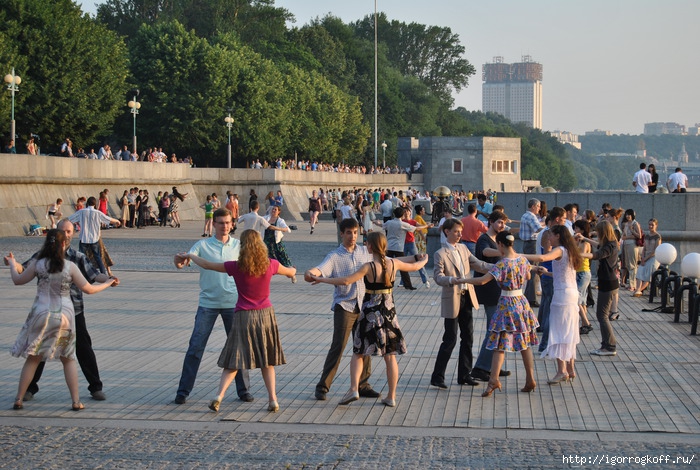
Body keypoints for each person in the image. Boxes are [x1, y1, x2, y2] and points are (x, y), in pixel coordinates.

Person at [308, 232, 428, 407]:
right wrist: (424, 260)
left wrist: (322, 279)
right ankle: (391, 396)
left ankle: (354, 389)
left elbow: (346, 280)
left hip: (369, 314)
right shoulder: (394, 263)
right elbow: (416, 266)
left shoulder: (368, 267)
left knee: (359, 352)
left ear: (370, 247)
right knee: (390, 356)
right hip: (389, 314)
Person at [183, 230, 296, 413]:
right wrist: (293, 274)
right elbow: (291, 271)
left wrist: (190, 255)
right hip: (265, 315)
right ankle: (273, 399)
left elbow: (207, 265)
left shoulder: (236, 266)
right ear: (261, 245)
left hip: (243, 315)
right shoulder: (271, 264)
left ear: (242, 247)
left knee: (235, 360)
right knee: (267, 362)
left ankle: (219, 396)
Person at [5, 229, 116, 410]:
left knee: (34, 358)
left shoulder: (38, 264)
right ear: (64, 244)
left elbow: (18, 279)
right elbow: (89, 288)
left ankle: (18, 398)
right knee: (68, 358)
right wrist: (108, 283)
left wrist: (11, 263)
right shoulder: (69, 266)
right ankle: (75, 401)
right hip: (64, 316)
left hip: (40, 313)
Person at [172, 208, 253, 405]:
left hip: (233, 303)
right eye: (220, 223)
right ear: (214, 224)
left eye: (227, 223)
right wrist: (179, 261)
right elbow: (184, 260)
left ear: (232, 224)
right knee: (195, 347)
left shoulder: (240, 246)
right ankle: (183, 391)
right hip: (207, 303)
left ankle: (243, 390)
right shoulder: (202, 245)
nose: (224, 226)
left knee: (238, 348)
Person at [304, 218, 386, 401]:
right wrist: (310, 274)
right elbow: (319, 269)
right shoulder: (335, 256)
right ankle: (323, 386)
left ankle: (363, 384)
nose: (352, 236)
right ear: (341, 234)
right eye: (348, 232)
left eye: (355, 232)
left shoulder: (366, 252)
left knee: (365, 346)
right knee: (338, 346)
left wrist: (415, 258)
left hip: (365, 305)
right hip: (345, 306)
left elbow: (385, 259)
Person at [460, 232, 539, 396]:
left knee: (499, 343)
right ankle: (530, 378)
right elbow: (529, 276)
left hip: (506, 304)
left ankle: (494, 380)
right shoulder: (522, 260)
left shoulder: (502, 264)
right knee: (524, 343)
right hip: (521, 303)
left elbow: (482, 281)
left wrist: (462, 280)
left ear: (501, 245)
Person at [430, 218, 492, 389]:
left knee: (468, 336)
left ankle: (465, 374)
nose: (459, 235)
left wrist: (496, 267)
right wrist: (451, 280)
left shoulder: (464, 249)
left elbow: (478, 265)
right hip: (452, 299)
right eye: (456, 231)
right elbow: (437, 277)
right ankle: (437, 376)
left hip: (467, 297)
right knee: (450, 338)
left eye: (460, 231)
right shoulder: (440, 254)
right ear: (446, 232)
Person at [524, 225, 582, 384]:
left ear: (558, 236)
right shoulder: (570, 251)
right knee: (569, 331)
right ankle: (570, 369)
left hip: (562, 295)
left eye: (550, 235)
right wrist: (545, 272)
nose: (548, 238)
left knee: (558, 331)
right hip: (571, 293)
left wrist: (517, 255)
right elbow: (561, 274)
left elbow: (543, 258)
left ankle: (561, 370)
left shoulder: (560, 249)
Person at [471, 210, 513, 382]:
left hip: (498, 289)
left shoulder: (499, 240)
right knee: (493, 330)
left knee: (497, 329)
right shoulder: (484, 239)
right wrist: (503, 252)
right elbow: (486, 252)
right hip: (488, 289)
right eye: (499, 222)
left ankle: (492, 366)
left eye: (504, 222)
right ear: (491, 222)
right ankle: (481, 367)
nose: (502, 225)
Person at [576, 221, 620, 357]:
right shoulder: (611, 243)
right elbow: (598, 246)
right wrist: (585, 239)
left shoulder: (610, 246)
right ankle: (607, 345)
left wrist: (578, 254)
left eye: (598, 232)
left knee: (602, 316)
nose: (596, 235)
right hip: (608, 282)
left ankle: (609, 346)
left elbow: (596, 255)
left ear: (603, 232)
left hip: (608, 283)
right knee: (602, 315)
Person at [68, 196, 121, 274]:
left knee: (80, 257)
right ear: (95, 204)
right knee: (97, 257)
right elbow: (108, 219)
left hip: (84, 238)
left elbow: (70, 219)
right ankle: (103, 273)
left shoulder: (82, 212)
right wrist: (117, 221)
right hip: (94, 238)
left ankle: (79, 273)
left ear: (87, 203)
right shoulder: (98, 213)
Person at [384, 206, 430, 290]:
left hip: (394, 246)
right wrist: (427, 226)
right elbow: (417, 228)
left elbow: (383, 226)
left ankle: (387, 283)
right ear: (402, 214)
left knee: (387, 265)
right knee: (402, 265)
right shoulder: (403, 224)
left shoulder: (390, 222)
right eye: (404, 212)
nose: (406, 213)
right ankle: (406, 284)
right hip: (399, 246)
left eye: (407, 211)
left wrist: (375, 222)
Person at [520, 198, 543, 307]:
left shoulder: (525, 215)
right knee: (533, 271)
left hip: (527, 244)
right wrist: (548, 226)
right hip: (532, 245)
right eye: (538, 206)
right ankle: (532, 299)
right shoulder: (531, 216)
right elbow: (539, 229)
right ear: (533, 206)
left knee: (530, 269)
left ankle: (528, 295)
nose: (540, 208)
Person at [573, 220, 593, 335]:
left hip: (583, 273)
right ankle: (584, 325)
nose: (575, 231)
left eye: (576, 228)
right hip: (579, 272)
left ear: (582, 230)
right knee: (583, 300)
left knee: (577, 299)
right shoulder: (579, 242)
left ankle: (586, 323)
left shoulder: (585, 243)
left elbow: (580, 257)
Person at [263, 205, 294, 280]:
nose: (273, 211)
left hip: (277, 243)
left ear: (279, 212)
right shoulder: (266, 218)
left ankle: (292, 274)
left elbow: (286, 229)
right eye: (273, 209)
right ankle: (265, 276)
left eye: (275, 210)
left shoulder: (280, 220)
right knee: (266, 260)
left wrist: (276, 228)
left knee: (284, 259)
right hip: (266, 243)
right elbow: (257, 220)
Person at [633, 219, 662, 297]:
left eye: (652, 225)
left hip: (653, 258)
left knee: (648, 274)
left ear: (656, 226)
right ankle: (638, 289)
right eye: (649, 224)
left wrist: (646, 259)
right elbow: (644, 248)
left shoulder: (657, 237)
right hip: (645, 256)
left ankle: (640, 290)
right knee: (640, 271)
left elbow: (655, 251)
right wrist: (642, 257)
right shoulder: (647, 236)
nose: (650, 226)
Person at [620, 209, 642, 292]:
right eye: (626, 214)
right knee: (628, 264)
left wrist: (631, 230)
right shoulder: (626, 224)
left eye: (629, 214)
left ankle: (633, 285)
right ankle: (630, 283)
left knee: (632, 264)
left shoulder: (635, 223)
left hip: (632, 244)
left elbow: (639, 236)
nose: (627, 216)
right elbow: (624, 234)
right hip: (626, 244)